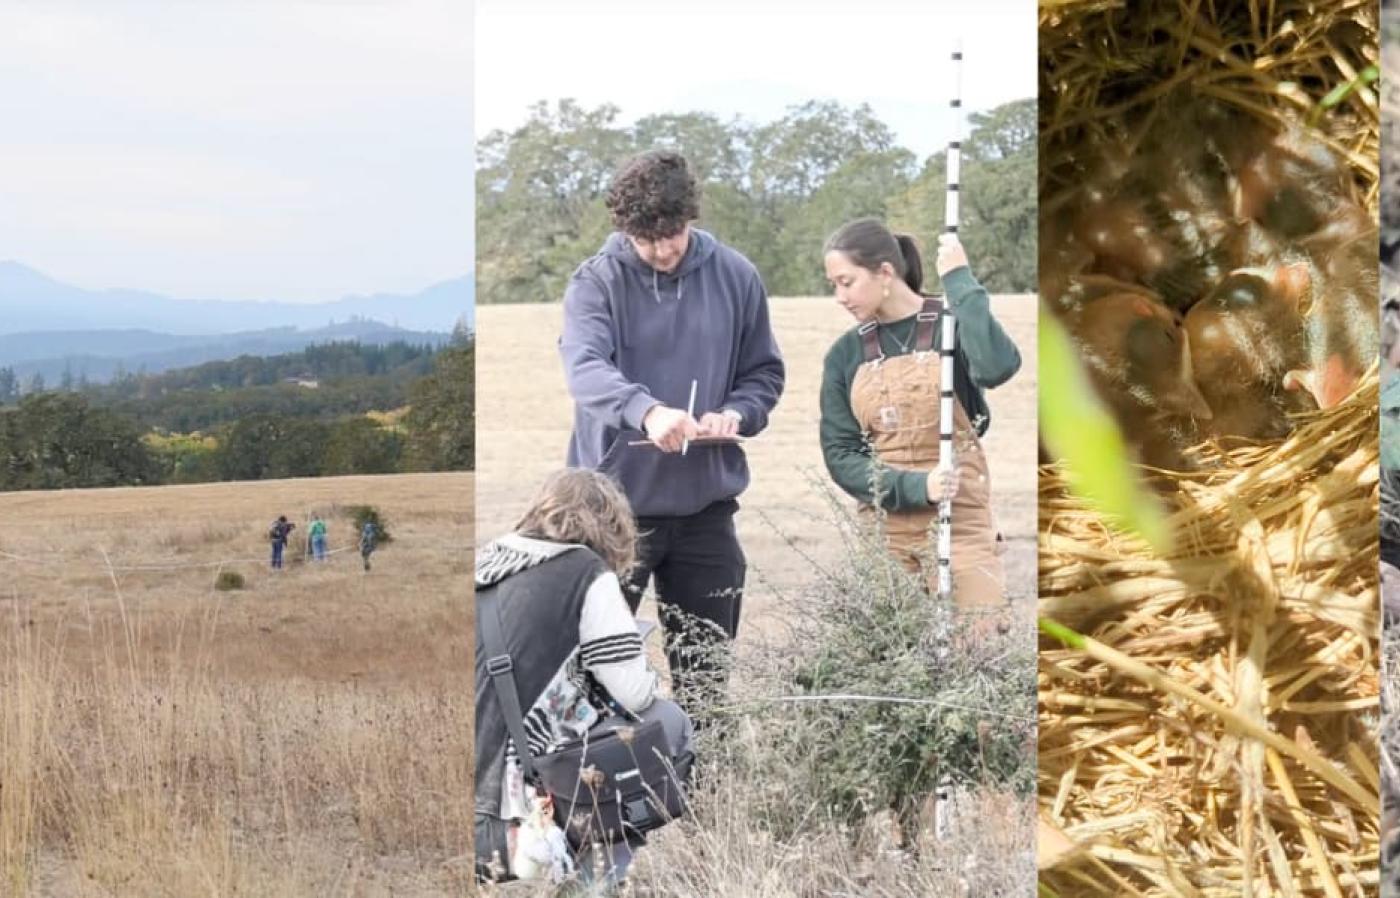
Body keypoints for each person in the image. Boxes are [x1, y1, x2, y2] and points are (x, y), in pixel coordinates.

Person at [558, 149, 785, 712]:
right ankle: (605, 793)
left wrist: (739, 411)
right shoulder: (596, 282)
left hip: (706, 513)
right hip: (611, 513)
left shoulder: (736, 275)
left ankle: (707, 792)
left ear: (692, 216)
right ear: (626, 230)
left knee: (707, 683)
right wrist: (647, 411)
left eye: (673, 234)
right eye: (646, 239)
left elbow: (763, 372)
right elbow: (584, 370)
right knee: (595, 681)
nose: (662, 250)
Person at [474, 468, 694, 886]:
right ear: (612, 524)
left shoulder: (487, 560)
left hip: (475, 803)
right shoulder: (586, 572)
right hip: (525, 809)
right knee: (666, 722)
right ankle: (598, 881)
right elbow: (635, 693)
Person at [819, 219, 1021, 609]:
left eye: (846, 282)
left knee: (974, 650)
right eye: (834, 285)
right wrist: (915, 488)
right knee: (893, 659)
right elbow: (841, 455)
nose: (839, 297)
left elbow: (998, 366)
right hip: (885, 534)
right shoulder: (845, 354)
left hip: (960, 524)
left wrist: (960, 281)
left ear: (885, 273)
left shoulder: (952, 324)